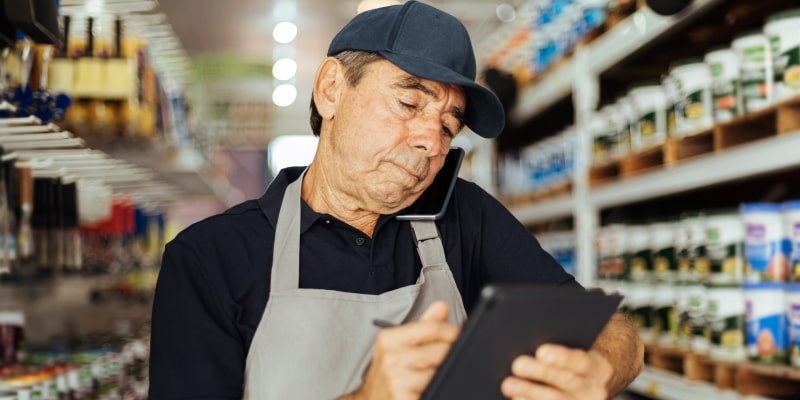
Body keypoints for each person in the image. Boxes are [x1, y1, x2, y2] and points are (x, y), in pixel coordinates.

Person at [148, 1, 644, 399]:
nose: (433, 140)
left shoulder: (465, 217)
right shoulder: (210, 259)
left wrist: (596, 370)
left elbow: (615, 330)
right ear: (330, 91)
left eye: (450, 126)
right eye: (409, 103)